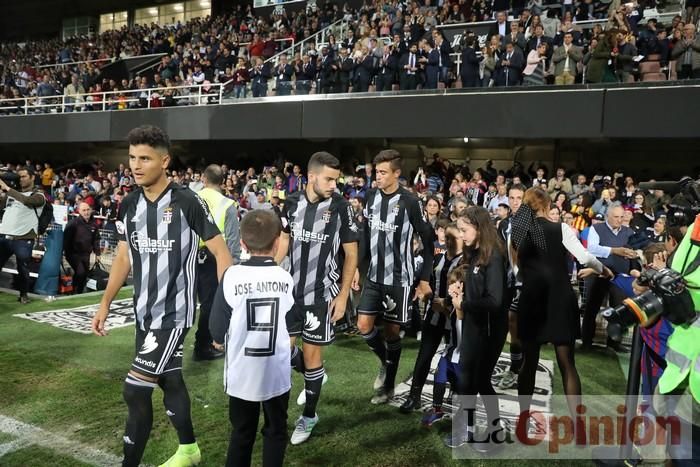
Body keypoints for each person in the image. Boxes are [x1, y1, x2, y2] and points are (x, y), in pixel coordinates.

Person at [91, 125, 233, 467]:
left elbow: (222, 252)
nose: (136, 165)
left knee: (135, 389)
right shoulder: (128, 204)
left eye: (145, 158)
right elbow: (123, 257)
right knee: (170, 379)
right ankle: (189, 450)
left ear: (164, 161)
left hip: (174, 314)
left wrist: (224, 309)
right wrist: (105, 303)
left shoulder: (186, 200)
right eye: (132, 158)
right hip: (143, 313)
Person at [511, 188, 612, 440]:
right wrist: (605, 271)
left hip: (532, 298)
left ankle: (523, 421)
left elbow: (515, 270)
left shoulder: (517, 232)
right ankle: (577, 426)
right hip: (559, 298)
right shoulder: (561, 229)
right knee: (567, 363)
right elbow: (586, 258)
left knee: (529, 363)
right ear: (545, 205)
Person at [274, 152, 359, 444]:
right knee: (281, 354)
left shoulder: (341, 207)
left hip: (321, 295)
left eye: (337, 179)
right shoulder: (292, 202)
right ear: (311, 176)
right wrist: (271, 270)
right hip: (289, 293)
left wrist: (344, 294)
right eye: (329, 179)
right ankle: (315, 376)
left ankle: (309, 416)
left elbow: (351, 252)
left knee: (312, 357)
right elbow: (285, 238)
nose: (334, 184)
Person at [209, 209, 294, 467]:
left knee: (242, 433)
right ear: (277, 241)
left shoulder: (231, 277)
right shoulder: (285, 278)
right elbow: (292, 325)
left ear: (243, 244)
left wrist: (221, 340)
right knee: (276, 431)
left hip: (242, 373)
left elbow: (215, 330)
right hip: (276, 372)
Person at [357, 149, 434, 404]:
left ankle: (389, 386)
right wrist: (358, 266)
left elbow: (428, 239)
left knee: (391, 333)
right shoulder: (370, 197)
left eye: (382, 172)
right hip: (374, 275)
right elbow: (366, 235)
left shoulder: (411, 202)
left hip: (399, 279)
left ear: (397, 174)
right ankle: (384, 362)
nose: (377, 177)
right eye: (376, 172)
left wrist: (424, 279)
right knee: (363, 326)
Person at [445, 206, 508, 451]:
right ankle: (468, 428)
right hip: (474, 325)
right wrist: (459, 288)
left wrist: (465, 303)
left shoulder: (493, 256)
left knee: (480, 381)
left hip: (490, 330)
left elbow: (495, 301)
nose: (461, 235)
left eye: (464, 229)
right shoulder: (473, 253)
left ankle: (494, 432)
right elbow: (473, 284)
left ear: (479, 228)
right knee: (468, 380)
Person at [400, 223, 462, 413]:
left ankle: (455, 391)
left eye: (455, 238)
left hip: (454, 319)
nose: (450, 241)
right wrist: (425, 294)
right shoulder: (437, 258)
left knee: (454, 358)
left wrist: (447, 305)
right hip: (433, 315)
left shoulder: (466, 262)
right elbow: (424, 281)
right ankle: (414, 396)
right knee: (424, 356)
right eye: (448, 237)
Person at [194, 164, 241, 361]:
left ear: (203, 179)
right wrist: (234, 267)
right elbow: (232, 241)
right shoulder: (228, 204)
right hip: (214, 258)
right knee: (210, 304)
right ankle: (203, 345)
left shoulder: (190, 198)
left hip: (188, 257)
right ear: (223, 182)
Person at [581, 204, 638, 350]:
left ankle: (614, 343)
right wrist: (614, 250)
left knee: (618, 310)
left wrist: (633, 255)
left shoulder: (629, 232)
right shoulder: (596, 229)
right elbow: (591, 249)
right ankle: (586, 342)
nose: (619, 220)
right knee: (591, 308)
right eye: (616, 217)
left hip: (620, 277)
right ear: (608, 216)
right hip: (597, 274)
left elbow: (636, 251)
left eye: (621, 217)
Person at [0, 166, 45, 304]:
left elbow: (27, 201)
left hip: (23, 238)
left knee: (23, 269)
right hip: (4, 236)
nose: (20, 179)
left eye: (24, 176)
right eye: (19, 177)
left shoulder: (39, 195)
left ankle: (24, 295)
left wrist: (8, 189)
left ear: (32, 177)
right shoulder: (11, 194)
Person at [496, 184, 526, 390]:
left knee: (516, 323)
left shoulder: (532, 223)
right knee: (506, 323)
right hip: (506, 281)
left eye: (519, 198)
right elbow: (499, 252)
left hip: (525, 282)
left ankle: (518, 369)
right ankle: (516, 366)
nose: (515, 201)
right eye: (512, 198)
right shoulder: (503, 224)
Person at [63, 201, 101, 294]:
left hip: (86, 254)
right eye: (84, 210)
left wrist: (98, 253)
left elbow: (96, 239)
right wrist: (62, 252)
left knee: (84, 274)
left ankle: (78, 292)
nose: (86, 212)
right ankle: (74, 290)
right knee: (81, 272)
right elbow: (65, 239)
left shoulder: (94, 224)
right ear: (79, 211)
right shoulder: (73, 223)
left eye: (88, 210)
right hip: (73, 253)